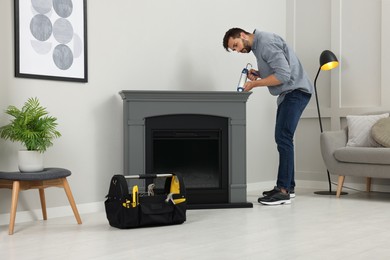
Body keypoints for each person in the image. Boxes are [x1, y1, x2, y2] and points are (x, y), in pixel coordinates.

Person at [223, 28, 313, 205]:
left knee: (283, 138)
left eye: (236, 45)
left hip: (295, 91)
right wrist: (259, 74)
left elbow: (284, 75)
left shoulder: (265, 42)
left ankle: (283, 191)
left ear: (242, 35)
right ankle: (288, 186)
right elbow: (279, 70)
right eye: (234, 50)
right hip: (291, 92)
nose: (238, 50)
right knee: (285, 139)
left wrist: (255, 84)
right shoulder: (259, 45)